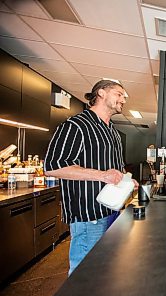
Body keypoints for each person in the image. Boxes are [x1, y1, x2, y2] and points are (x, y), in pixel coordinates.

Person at [44, 79, 138, 275]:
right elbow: (53, 167)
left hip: (111, 211)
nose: (124, 99)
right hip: (89, 216)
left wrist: (126, 181)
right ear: (101, 93)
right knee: (84, 276)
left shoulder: (112, 132)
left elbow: (116, 171)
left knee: (105, 273)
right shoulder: (75, 125)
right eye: (119, 94)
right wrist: (102, 175)